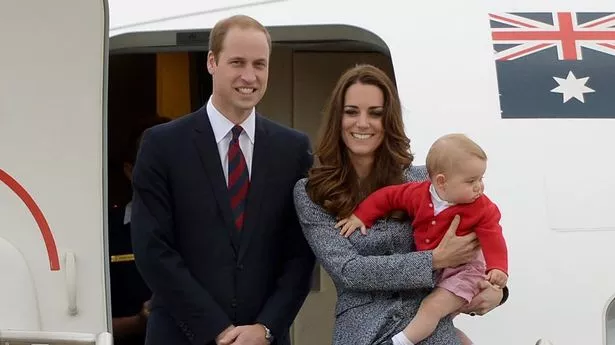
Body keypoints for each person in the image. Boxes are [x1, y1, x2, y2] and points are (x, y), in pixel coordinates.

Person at [130, 14, 315, 345]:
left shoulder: (293, 149)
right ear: (212, 62)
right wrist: (216, 329)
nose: (250, 76)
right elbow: (152, 249)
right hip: (181, 336)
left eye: (260, 64)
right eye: (237, 62)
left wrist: (266, 328)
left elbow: (300, 255)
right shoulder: (162, 145)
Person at [292, 64, 508, 345]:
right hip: (363, 330)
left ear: (389, 120)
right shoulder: (312, 193)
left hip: (430, 328)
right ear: (337, 118)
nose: (362, 123)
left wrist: (497, 292)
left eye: (375, 113)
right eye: (351, 111)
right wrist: (435, 259)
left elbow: (482, 232)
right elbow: (349, 271)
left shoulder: (426, 181)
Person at [336, 133, 509, 345]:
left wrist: (498, 269)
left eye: (481, 179)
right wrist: (361, 215)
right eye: (472, 181)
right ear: (441, 182)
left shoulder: (482, 207)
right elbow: (388, 198)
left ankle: (400, 342)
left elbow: (493, 237)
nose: (479, 187)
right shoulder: (418, 193)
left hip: (465, 271)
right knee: (440, 318)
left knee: (432, 308)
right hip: (435, 272)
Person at [109, 116, 170, 345]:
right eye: (153, 165)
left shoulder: (207, 230)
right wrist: (139, 321)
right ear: (130, 170)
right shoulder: (105, 235)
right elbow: (85, 324)